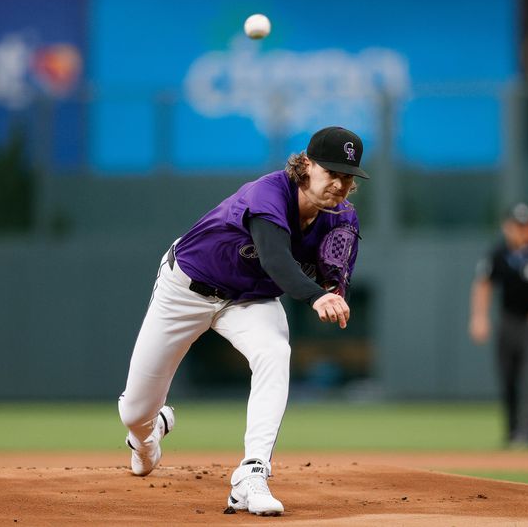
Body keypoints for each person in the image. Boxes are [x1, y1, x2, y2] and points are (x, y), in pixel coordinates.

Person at [117, 126, 368, 516]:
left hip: (249, 300)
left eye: (347, 176)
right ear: (305, 165)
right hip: (186, 290)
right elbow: (274, 259)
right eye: (330, 172)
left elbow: (335, 278)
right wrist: (316, 295)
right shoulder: (268, 193)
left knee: (274, 351)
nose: (339, 184)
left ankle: (251, 476)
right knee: (133, 411)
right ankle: (147, 437)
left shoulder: (341, 219)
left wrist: (334, 290)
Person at [468, 202, 528, 449]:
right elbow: (483, 284)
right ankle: (512, 431)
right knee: (508, 379)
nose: (521, 231)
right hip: (508, 322)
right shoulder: (498, 255)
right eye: (516, 225)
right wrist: (479, 317)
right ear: (507, 226)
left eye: (525, 226)